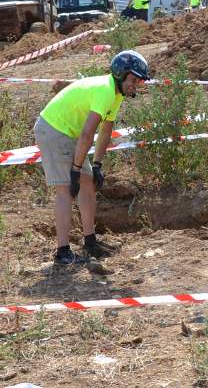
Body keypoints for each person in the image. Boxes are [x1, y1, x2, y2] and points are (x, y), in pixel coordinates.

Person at [33, 51, 150, 265]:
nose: (137, 85)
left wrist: (96, 165)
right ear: (120, 74)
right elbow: (88, 134)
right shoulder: (105, 91)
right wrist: (75, 169)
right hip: (53, 129)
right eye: (134, 79)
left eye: (139, 81)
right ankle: (62, 252)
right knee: (66, 189)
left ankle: (90, 242)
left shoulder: (116, 94)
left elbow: (105, 131)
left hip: (70, 134)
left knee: (88, 184)